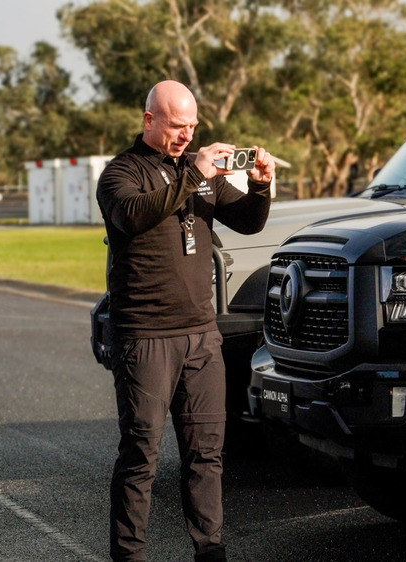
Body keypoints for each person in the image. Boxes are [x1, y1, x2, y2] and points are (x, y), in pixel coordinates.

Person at [96, 79, 273, 562]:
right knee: (141, 457)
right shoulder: (121, 173)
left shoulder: (202, 173)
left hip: (201, 336)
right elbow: (133, 215)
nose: (187, 135)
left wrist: (260, 185)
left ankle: (210, 551)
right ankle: (129, 555)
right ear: (149, 119)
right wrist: (194, 175)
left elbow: (249, 222)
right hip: (145, 337)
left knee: (206, 455)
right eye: (177, 126)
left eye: (192, 126)